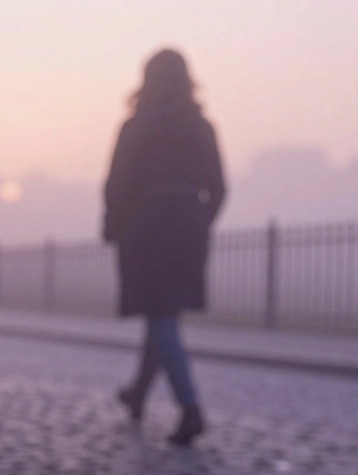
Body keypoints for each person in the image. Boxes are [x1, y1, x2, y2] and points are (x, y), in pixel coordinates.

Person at [102, 48, 225, 446]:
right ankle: (138, 393)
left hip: (147, 224)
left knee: (161, 315)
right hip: (188, 223)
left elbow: (117, 184)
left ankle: (190, 409)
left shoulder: (135, 127)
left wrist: (115, 226)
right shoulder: (201, 126)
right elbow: (219, 187)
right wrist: (200, 221)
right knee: (163, 315)